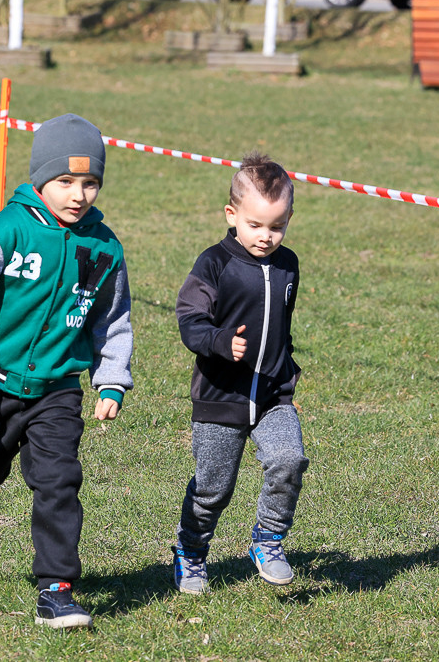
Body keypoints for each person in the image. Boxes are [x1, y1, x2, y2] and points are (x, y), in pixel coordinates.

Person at [0, 114, 133, 629]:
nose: (78, 194)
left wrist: (111, 378)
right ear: (40, 179)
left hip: (58, 389)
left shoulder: (104, 248)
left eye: (90, 183)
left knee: (59, 481)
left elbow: (113, 318)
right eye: (65, 181)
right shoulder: (6, 231)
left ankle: (57, 589)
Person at [171, 151, 308, 594]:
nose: (267, 237)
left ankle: (268, 540)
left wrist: (285, 372)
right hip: (220, 397)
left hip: (272, 395)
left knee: (288, 460)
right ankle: (190, 552)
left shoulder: (289, 265)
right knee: (213, 490)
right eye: (255, 225)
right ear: (231, 215)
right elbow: (190, 319)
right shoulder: (214, 262)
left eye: (277, 226)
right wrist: (219, 342)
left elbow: (280, 325)